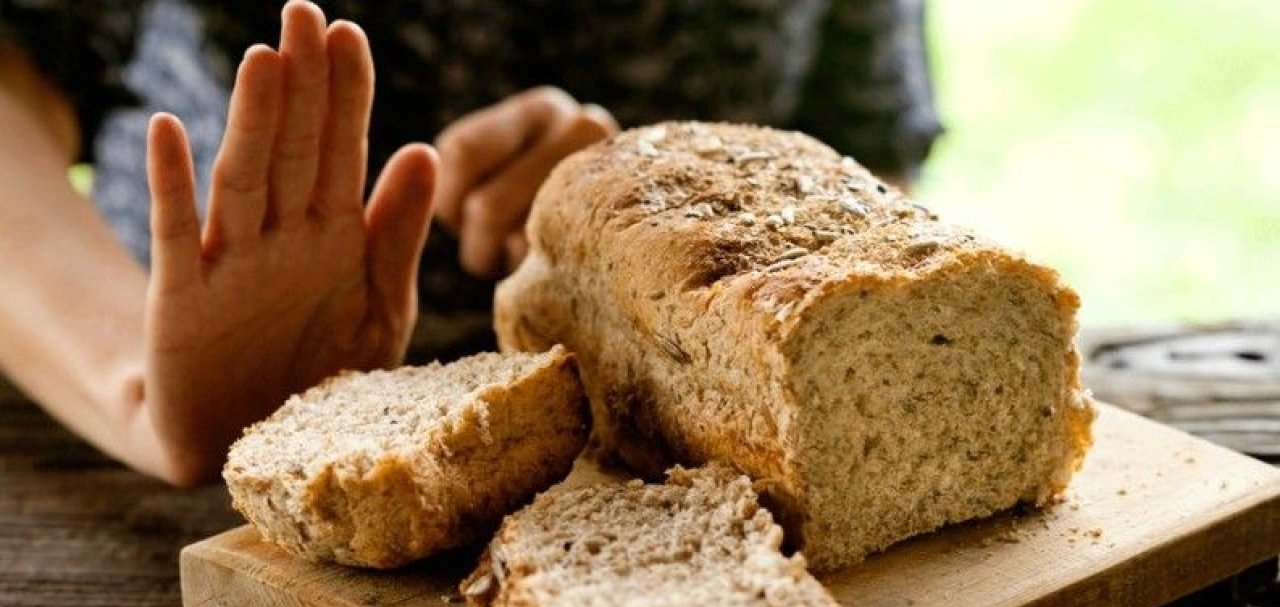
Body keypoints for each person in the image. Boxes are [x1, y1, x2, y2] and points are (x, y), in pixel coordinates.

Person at [0, 0, 942, 487]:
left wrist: (657, 195)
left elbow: (861, 165)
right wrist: (131, 378)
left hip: (677, 456)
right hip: (134, 405)